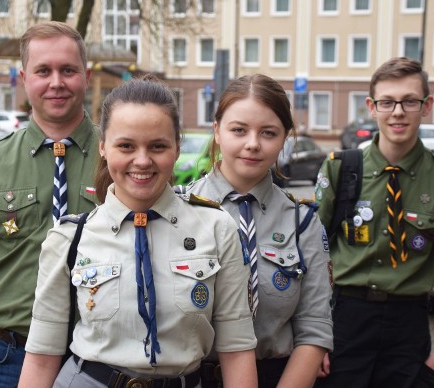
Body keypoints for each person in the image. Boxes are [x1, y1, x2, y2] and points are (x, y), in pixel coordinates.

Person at [18, 77, 258, 388]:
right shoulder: (69, 238)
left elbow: (237, 348)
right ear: (103, 147)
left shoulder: (216, 228)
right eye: (126, 146)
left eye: (157, 146)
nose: (142, 160)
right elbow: (41, 356)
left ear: (176, 148)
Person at [0, 21, 100, 388]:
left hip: (98, 360)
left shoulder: (120, 160)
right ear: (24, 78)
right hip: (8, 357)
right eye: (43, 71)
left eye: (68, 70)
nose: (56, 82)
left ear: (86, 76)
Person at [315, 57, 434, 387]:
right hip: (344, 320)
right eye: (387, 102)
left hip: (409, 326)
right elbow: (312, 256)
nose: (398, 112)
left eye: (409, 101)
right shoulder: (340, 168)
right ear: (372, 107)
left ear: (427, 106)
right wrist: (312, 338)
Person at [183, 74, 333, 388]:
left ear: (285, 138)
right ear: (217, 131)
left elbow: (315, 329)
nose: (253, 143)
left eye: (268, 132)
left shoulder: (301, 220)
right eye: (239, 130)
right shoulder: (178, 211)